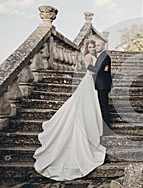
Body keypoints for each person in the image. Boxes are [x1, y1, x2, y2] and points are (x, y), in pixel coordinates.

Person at [33, 40, 106, 181]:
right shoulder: (88, 57)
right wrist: (101, 69)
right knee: (80, 105)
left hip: (92, 83)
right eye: (89, 47)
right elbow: (90, 70)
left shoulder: (95, 56)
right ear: (87, 48)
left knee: (88, 106)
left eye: (93, 47)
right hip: (88, 81)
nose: (91, 49)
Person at [87, 41, 112, 134]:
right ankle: (102, 127)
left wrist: (89, 66)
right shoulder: (100, 56)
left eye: (98, 45)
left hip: (103, 85)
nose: (96, 47)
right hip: (100, 84)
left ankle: (106, 129)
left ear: (103, 46)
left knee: (104, 106)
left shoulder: (105, 56)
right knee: (101, 106)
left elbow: (99, 70)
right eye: (95, 45)